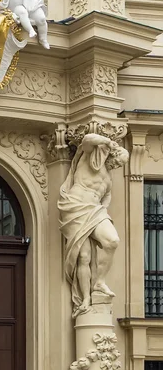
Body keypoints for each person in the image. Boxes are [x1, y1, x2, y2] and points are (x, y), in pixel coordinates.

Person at [57, 134, 129, 317]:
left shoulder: (109, 180)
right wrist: (107, 141)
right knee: (84, 256)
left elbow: (105, 202)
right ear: (111, 154)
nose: (116, 166)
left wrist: (102, 217)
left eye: (119, 165)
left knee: (112, 241)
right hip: (74, 207)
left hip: (95, 211)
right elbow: (88, 139)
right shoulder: (90, 158)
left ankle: (99, 282)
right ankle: (86, 299)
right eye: (116, 161)